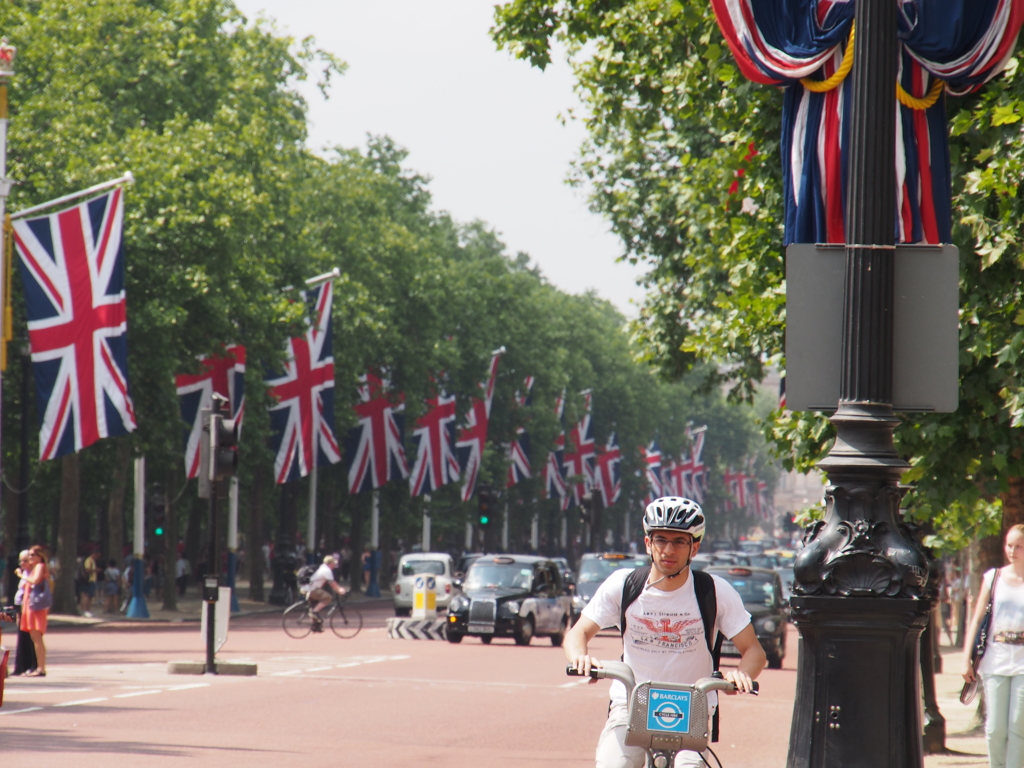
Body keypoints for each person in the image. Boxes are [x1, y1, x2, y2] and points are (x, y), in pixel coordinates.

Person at [564, 497, 766, 768]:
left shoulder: (714, 591)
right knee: (617, 764)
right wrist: (581, 658)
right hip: (632, 705)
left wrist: (742, 674)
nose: (668, 550)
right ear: (648, 544)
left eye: (679, 541)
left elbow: (754, 650)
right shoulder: (624, 585)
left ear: (694, 547)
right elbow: (577, 633)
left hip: (691, 710)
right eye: (661, 540)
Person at [963, 524, 1024, 768]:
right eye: (1009, 545)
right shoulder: (994, 577)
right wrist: (966, 657)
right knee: (996, 728)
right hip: (995, 657)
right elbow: (977, 619)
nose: (1012, 550)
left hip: (1022, 662)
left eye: (1019, 546)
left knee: (1018, 725)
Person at [16, 546, 51, 677]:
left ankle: (41, 668)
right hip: (30, 605)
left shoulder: (40, 566)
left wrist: (21, 576)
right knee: (34, 636)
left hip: (35, 607)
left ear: (39, 556)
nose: (30, 558)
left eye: (32, 555)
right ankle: (39, 667)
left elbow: (35, 581)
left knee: (37, 637)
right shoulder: (35, 568)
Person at [11, 550, 38, 675]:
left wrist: (22, 576)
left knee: (31, 637)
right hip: (21, 607)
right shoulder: (25, 573)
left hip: (30, 607)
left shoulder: (32, 573)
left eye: (25, 561)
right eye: (20, 560)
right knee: (21, 637)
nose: (22, 563)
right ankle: (21, 666)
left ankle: (32, 665)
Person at [306, 554, 349, 632]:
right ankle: (314, 612)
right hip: (312, 589)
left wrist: (338, 589)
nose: (334, 565)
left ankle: (315, 626)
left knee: (314, 605)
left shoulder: (323, 568)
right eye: (333, 563)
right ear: (330, 563)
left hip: (309, 588)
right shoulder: (327, 570)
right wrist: (340, 591)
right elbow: (332, 584)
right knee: (328, 598)